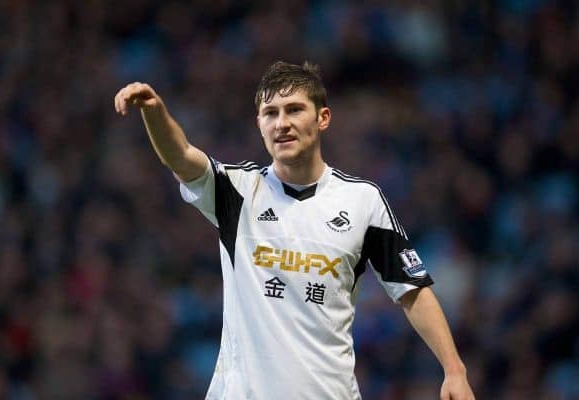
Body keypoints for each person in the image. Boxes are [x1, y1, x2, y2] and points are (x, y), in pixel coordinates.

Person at [114, 61, 475, 400]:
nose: (281, 123)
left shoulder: (362, 200)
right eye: (270, 113)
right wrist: (155, 112)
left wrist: (453, 368)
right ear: (259, 125)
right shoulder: (238, 190)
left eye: (294, 110)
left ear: (323, 118)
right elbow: (180, 156)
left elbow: (411, 289)